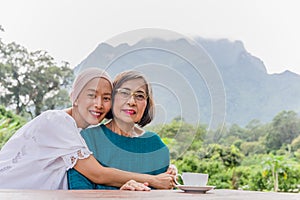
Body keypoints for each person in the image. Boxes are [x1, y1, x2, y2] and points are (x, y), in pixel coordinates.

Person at [0, 68, 174, 190]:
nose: (98, 104)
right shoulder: (57, 121)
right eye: (91, 95)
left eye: (105, 98)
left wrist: (166, 169)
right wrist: (154, 180)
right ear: (74, 97)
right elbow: (98, 174)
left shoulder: (77, 134)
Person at [68, 70, 177, 190]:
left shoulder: (156, 146)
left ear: (147, 103)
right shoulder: (87, 139)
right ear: (111, 98)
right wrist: (120, 195)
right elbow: (78, 193)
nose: (131, 102)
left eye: (139, 96)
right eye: (124, 93)